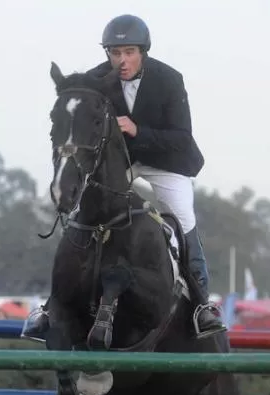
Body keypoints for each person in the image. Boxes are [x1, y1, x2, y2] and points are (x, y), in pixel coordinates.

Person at [22, 14, 225, 342]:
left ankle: (202, 303)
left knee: (184, 218)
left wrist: (137, 129)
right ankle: (53, 304)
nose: (122, 60)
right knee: (79, 215)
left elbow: (181, 137)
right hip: (120, 164)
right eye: (115, 53)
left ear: (142, 51)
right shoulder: (95, 80)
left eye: (129, 52)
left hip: (165, 161)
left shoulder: (169, 79)